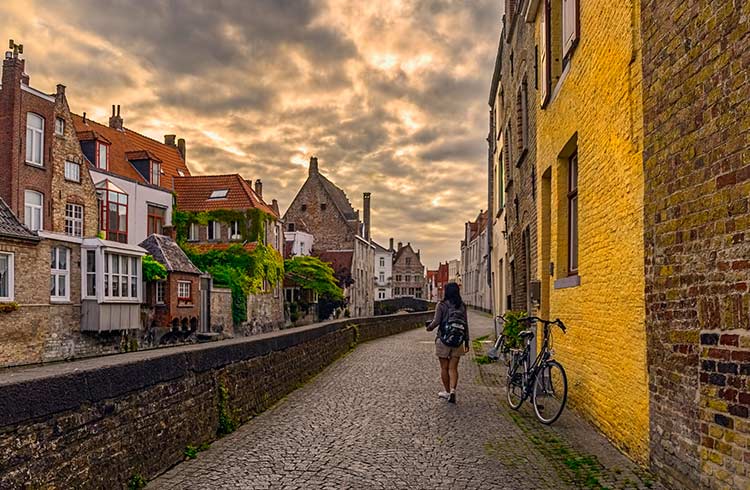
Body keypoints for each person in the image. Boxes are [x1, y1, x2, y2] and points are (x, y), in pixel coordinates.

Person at [426, 282, 469, 403]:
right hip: (458, 340)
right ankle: (453, 390)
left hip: (443, 340)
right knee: (453, 368)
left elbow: (436, 321)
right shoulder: (462, 306)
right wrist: (466, 341)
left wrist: (429, 327)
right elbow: (465, 324)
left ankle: (447, 392)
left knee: (444, 368)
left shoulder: (442, 304)